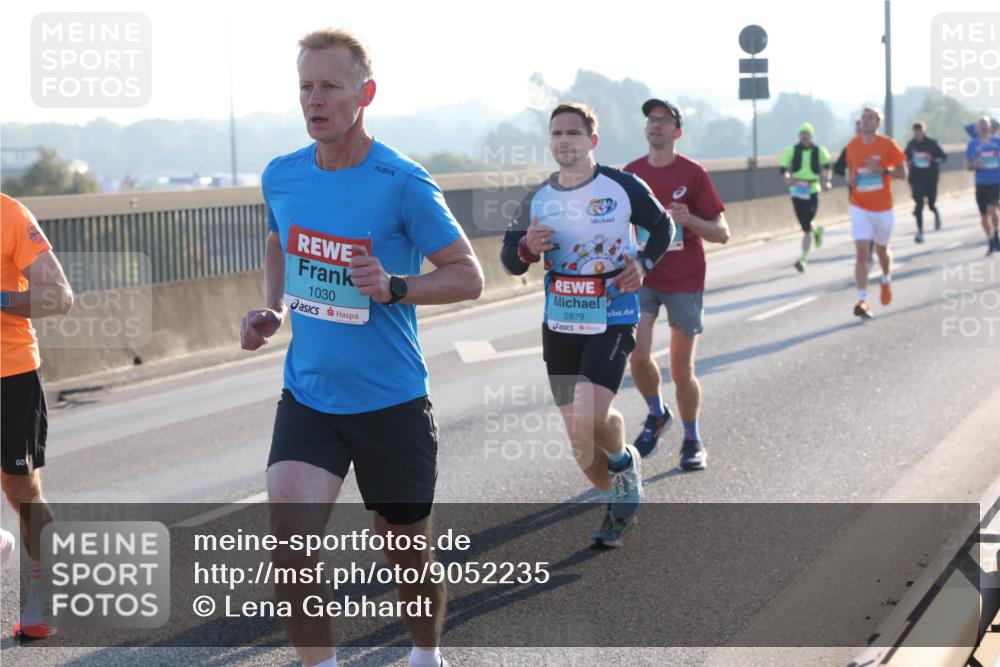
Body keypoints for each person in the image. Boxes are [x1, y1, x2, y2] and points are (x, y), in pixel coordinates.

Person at [241, 28, 484, 667]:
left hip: (390, 400)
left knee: (406, 551)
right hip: (310, 396)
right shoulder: (282, 175)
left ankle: (426, 654)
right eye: (304, 87)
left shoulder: (401, 181)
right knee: (291, 550)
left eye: (329, 87)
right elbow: (278, 239)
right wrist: (276, 306)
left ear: (364, 93)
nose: (313, 100)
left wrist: (397, 285)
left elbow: (468, 274)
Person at [500, 102, 675, 548]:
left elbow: (663, 225)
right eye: (556, 133)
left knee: (592, 414)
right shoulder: (539, 197)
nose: (563, 140)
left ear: (592, 141)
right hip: (560, 320)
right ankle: (615, 501)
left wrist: (645, 262)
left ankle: (622, 459)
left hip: (611, 315)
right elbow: (509, 259)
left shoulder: (621, 186)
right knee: (578, 438)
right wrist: (525, 249)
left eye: (573, 133)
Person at [624, 98, 729, 470]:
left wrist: (691, 221)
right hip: (644, 274)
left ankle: (692, 439)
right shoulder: (631, 174)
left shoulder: (693, 173)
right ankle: (656, 413)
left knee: (682, 369)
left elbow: (723, 233)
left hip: (685, 277)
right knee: (637, 355)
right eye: (650, 119)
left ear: (677, 131)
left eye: (664, 121)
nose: (655, 125)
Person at [1, 193, 75, 639]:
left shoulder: (10, 215)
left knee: (22, 491)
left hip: (9, 372)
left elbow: (59, 297)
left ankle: (45, 586)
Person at [844, 107, 908, 319]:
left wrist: (882, 169)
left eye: (871, 118)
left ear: (878, 122)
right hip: (859, 206)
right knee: (862, 254)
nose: (866, 121)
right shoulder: (852, 147)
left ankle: (886, 278)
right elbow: (852, 173)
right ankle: (862, 299)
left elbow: (903, 173)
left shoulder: (888, 145)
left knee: (882, 252)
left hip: (883, 208)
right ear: (860, 123)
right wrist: (851, 180)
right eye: (863, 118)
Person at [778, 122, 833, 271]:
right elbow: (782, 169)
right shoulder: (792, 150)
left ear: (811, 135)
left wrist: (827, 181)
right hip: (797, 190)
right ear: (799, 136)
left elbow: (828, 166)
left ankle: (803, 258)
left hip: (813, 189)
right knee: (805, 224)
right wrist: (788, 179)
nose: (804, 136)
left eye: (807, 133)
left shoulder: (819, 151)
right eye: (802, 133)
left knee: (807, 225)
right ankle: (817, 230)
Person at [904, 121, 947, 242]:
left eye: (920, 131)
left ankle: (936, 213)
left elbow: (943, 157)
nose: (918, 133)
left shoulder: (932, 144)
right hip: (916, 179)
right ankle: (920, 231)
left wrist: (932, 159)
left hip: (930, 178)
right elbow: (904, 158)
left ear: (924, 131)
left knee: (931, 204)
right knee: (919, 205)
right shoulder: (911, 145)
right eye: (915, 131)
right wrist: (908, 163)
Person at [965, 116, 1000, 255]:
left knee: (992, 208)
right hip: (981, 183)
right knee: (984, 215)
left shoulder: (997, 142)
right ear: (977, 128)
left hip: (996, 181)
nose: (984, 128)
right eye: (981, 126)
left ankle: (996, 233)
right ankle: (990, 239)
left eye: (986, 125)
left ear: (990, 127)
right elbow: (968, 165)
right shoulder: (972, 144)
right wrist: (974, 164)